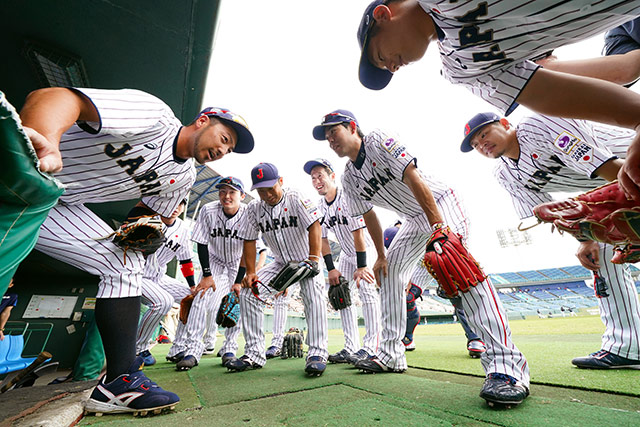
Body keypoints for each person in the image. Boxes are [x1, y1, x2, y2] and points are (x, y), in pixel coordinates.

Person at [13, 87, 254, 416]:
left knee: (123, 261)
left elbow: (142, 218)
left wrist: (149, 226)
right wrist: (46, 139)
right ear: (202, 121)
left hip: (59, 202)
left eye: (229, 149)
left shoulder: (182, 178)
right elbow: (58, 97)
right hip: (21, 171)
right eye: (224, 138)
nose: (222, 150)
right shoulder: (154, 115)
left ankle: (119, 381)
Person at [313, 109, 529, 407]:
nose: (330, 140)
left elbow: (413, 177)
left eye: (333, 132)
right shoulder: (350, 178)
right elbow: (368, 215)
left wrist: (439, 225)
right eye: (326, 137)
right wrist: (380, 255)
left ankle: (506, 368)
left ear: (352, 127)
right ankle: (389, 354)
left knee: (458, 269)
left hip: (439, 203)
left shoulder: (378, 140)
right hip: (413, 218)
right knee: (388, 273)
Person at [355, 0, 640, 199]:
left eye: (381, 57)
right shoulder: (461, 69)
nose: (391, 67)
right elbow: (548, 92)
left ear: (383, 14)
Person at [462, 111, 640, 369]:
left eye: (483, 133)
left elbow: (609, 166)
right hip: (617, 187)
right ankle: (628, 347)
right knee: (601, 254)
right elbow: (550, 213)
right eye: (476, 145)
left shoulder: (537, 126)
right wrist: (585, 238)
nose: (481, 144)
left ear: (504, 123)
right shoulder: (506, 174)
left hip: (629, 168)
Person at [229, 163, 330, 376]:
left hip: (305, 260)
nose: (266, 194)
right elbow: (249, 240)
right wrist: (251, 273)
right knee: (249, 292)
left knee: (313, 296)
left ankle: (318, 353)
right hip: (280, 263)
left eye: (270, 188)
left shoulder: (295, 197)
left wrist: (313, 259)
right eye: (260, 190)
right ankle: (254, 354)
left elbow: (315, 225)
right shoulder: (254, 208)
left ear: (280, 181)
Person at [303, 158, 381, 364]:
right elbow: (322, 239)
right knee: (343, 296)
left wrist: (362, 266)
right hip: (346, 253)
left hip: (365, 249)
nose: (316, 180)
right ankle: (351, 346)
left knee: (366, 291)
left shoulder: (348, 197)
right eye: (313, 178)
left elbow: (359, 235)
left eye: (320, 175)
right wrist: (331, 269)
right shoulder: (320, 205)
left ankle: (372, 347)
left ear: (332, 176)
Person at [167, 177, 248, 371]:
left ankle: (229, 349)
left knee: (237, 299)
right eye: (222, 191)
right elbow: (201, 243)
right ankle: (193, 349)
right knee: (201, 295)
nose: (226, 196)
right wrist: (207, 275)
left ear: (242, 196)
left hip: (238, 260)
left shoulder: (249, 214)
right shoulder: (208, 210)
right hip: (214, 258)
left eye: (232, 192)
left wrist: (238, 282)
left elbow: (249, 249)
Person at [383, 226, 486, 357]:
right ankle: (407, 338)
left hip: (440, 257)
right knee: (405, 297)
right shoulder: (395, 240)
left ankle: (475, 339)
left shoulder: (422, 231)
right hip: (420, 268)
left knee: (458, 295)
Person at [135, 199, 195, 366]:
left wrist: (192, 285)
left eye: (180, 204)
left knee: (192, 298)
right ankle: (138, 349)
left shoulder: (182, 228)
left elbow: (186, 260)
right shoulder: (147, 218)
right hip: (136, 274)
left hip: (159, 276)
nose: (176, 207)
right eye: (172, 202)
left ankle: (178, 347)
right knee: (163, 302)